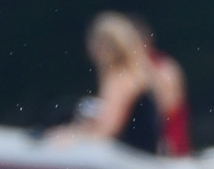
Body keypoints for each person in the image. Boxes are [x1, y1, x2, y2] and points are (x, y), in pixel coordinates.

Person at [49, 12, 192, 156]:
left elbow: (108, 130)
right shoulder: (138, 74)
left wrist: (70, 138)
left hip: (135, 158)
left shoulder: (120, 79)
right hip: (148, 152)